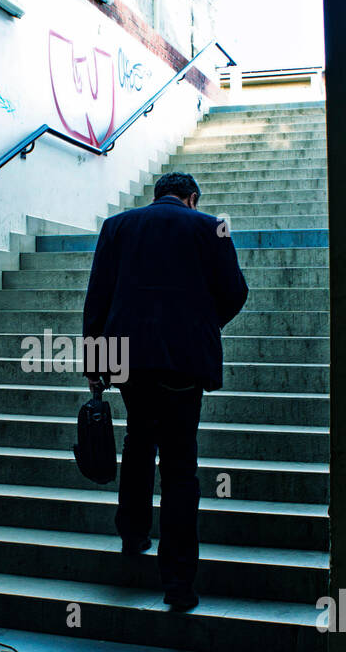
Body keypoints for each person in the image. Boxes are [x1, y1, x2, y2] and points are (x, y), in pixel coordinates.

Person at [82, 169, 248, 611]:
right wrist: (200, 325)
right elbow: (234, 292)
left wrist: (95, 365)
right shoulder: (209, 226)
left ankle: (133, 533)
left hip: (129, 360)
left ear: (157, 196)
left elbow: (97, 297)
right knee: (179, 465)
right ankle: (178, 582)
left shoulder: (117, 227)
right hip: (183, 362)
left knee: (138, 441)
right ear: (191, 198)